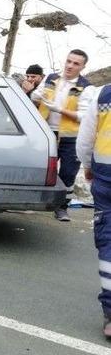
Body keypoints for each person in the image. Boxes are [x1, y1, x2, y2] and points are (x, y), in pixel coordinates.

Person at [31, 49, 94, 221]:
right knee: (42, 169)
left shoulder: (86, 87)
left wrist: (59, 109)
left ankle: (61, 208)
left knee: (68, 173)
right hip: (46, 131)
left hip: (70, 136)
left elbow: (84, 116)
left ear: (82, 67)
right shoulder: (51, 78)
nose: (70, 66)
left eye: (76, 63)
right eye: (69, 61)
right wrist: (37, 95)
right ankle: (37, 202)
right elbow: (36, 99)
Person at [76, 83, 111, 337]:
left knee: (109, 240)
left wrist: (88, 165)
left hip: (107, 177)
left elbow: (86, 139)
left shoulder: (104, 94)